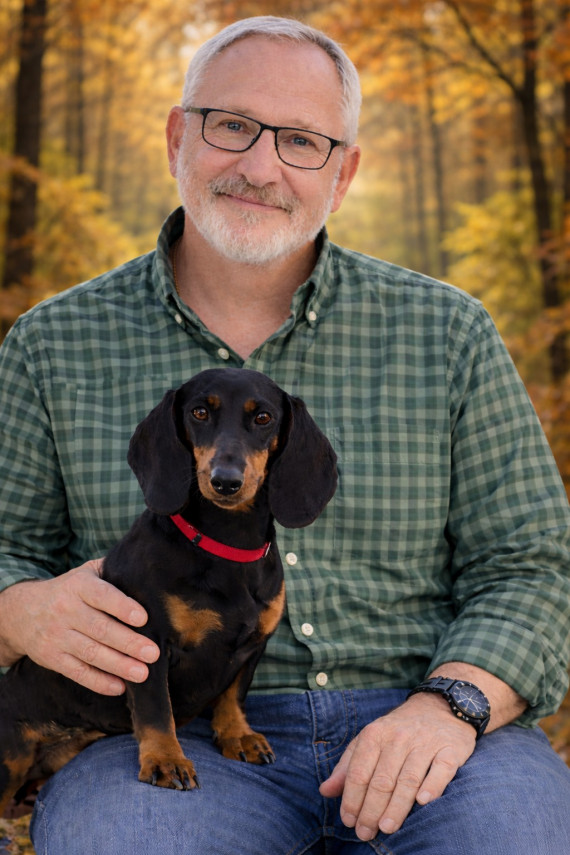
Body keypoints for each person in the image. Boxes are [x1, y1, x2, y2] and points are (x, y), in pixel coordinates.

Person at [0, 15, 569, 855]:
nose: (260, 166)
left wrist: (451, 706)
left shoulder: (448, 332)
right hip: (160, 735)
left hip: (423, 722)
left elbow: (531, 563)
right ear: (176, 138)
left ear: (343, 174)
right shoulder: (52, 341)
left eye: (302, 140)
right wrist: (19, 607)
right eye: (232, 125)